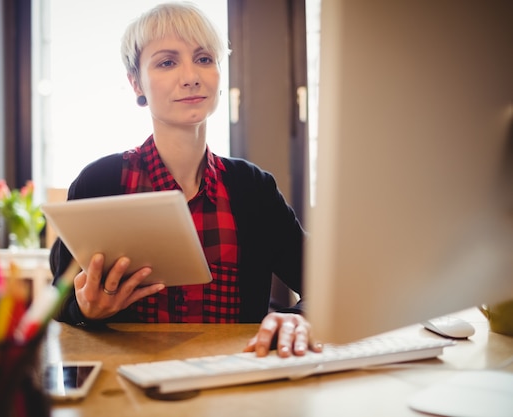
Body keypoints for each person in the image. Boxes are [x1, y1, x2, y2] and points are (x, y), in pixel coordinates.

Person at [50, 1, 321, 358]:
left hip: (232, 387)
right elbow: (57, 304)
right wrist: (85, 310)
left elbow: (325, 289)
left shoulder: (253, 189)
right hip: (125, 388)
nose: (191, 75)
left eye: (204, 59)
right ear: (136, 84)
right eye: (167, 62)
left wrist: (298, 318)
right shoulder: (99, 182)